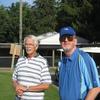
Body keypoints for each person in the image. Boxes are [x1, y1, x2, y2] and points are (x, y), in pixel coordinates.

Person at [58, 26, 100, 100]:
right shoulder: (62, 62)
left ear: (75, 41)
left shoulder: (84, 58)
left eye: (69, 38)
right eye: (62, 38)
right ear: (60, 42)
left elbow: (95, 88)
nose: (66, 40)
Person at [12, 35, 52, 100]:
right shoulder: (20, 60)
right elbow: (14, 79)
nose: (28, 47)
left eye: (30, 44)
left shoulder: (42, 61)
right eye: (26, 44)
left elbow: (46, 84)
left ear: (36, 47)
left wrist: (27, 88)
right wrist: (17, 87)